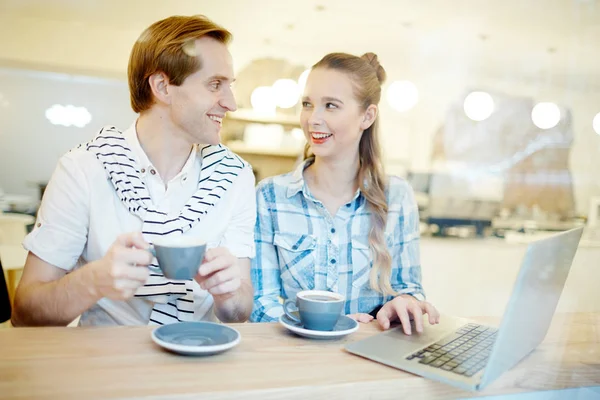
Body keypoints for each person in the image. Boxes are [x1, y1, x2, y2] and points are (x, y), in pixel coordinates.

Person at [11, 15, 255, 327]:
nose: (231, 104)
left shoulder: (235, 177)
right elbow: (25, 312)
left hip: (201, 361)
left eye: (229, 86)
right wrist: (94, 280)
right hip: (103, 367)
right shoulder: (83, 169)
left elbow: (240, 310)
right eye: (215, 85)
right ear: (163, 87)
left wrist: (229, 294)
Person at [250, 52, 440, 335]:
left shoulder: (397, 196)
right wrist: (329, 329)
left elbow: (409, 289)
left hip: (369, 358)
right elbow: (262, 304)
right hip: (295, 358)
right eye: (307, 104)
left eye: (331, 106)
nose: (314, 118)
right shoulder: (269, 196)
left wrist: (402, 305)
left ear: (367, 116)